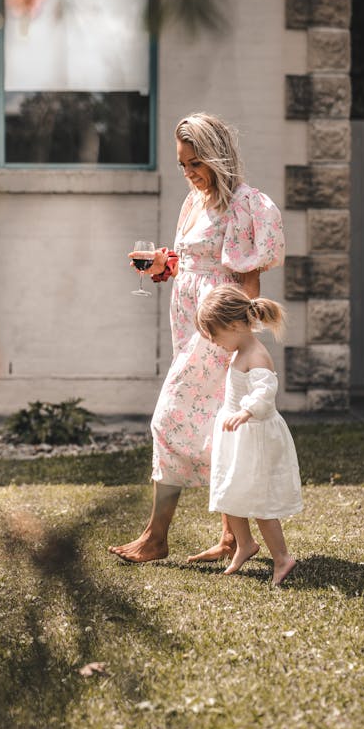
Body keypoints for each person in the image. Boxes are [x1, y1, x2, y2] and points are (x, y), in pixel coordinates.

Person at [108, 112, 284, 564]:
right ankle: (232, 537)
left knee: (168, 419)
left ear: (215, 156)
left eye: (194, 163)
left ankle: (155, 537)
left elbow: (247, 284)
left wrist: (234, 341)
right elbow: (193, 262)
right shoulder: (194, 201)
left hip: (216, 331)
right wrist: (164, 265)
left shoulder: (244, 204)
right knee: (212, 424)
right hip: (187, 325)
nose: (187, 173)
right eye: (182, 164)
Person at [196, 285, 302, 586]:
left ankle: (282, 558)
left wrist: (246, 412)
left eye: (215, 335)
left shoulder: (256, 354)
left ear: (233, 326)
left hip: (254, 436)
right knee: (231, 493)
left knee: (259, 502)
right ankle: (245, 544)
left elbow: (265, 390)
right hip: (237, 434)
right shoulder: (241, 349)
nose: (214, 342)